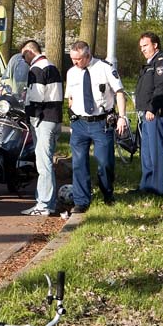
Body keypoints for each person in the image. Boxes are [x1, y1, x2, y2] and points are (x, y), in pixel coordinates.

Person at [65, 41, 128, 213]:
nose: (74, 62)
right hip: (79, 123)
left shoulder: (104, 68)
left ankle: (107, 193)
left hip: (101, 123)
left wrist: (122, 117)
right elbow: (70, 97)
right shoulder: (71, 73)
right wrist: (71, 119)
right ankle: (81, 201)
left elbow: (120, 93)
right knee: (78, 163)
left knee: (105, 162)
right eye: (72, 58)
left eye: (77, 59)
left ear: (87, 56)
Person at [19, 40, 63, 216]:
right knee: (46, 163)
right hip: (54, 117)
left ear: (30, 52)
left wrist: (31, 117)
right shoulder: (51, 66)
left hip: (44, 119)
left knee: (43, 163)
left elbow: (37, 97)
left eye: (24, 56)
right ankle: (47, 203)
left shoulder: (37, 69)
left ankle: (43, 204)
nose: (24, 60)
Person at [134, 31, 163, 196]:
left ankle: (159, 189)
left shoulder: (161, 62)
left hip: (155, 113)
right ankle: (147, 186)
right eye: (141, 47)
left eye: (145, 45)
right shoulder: (151, 63)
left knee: (155, 150)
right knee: (146, 151)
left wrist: (153, 108)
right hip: (147, 113)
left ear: (155, 45)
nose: (143, 49)